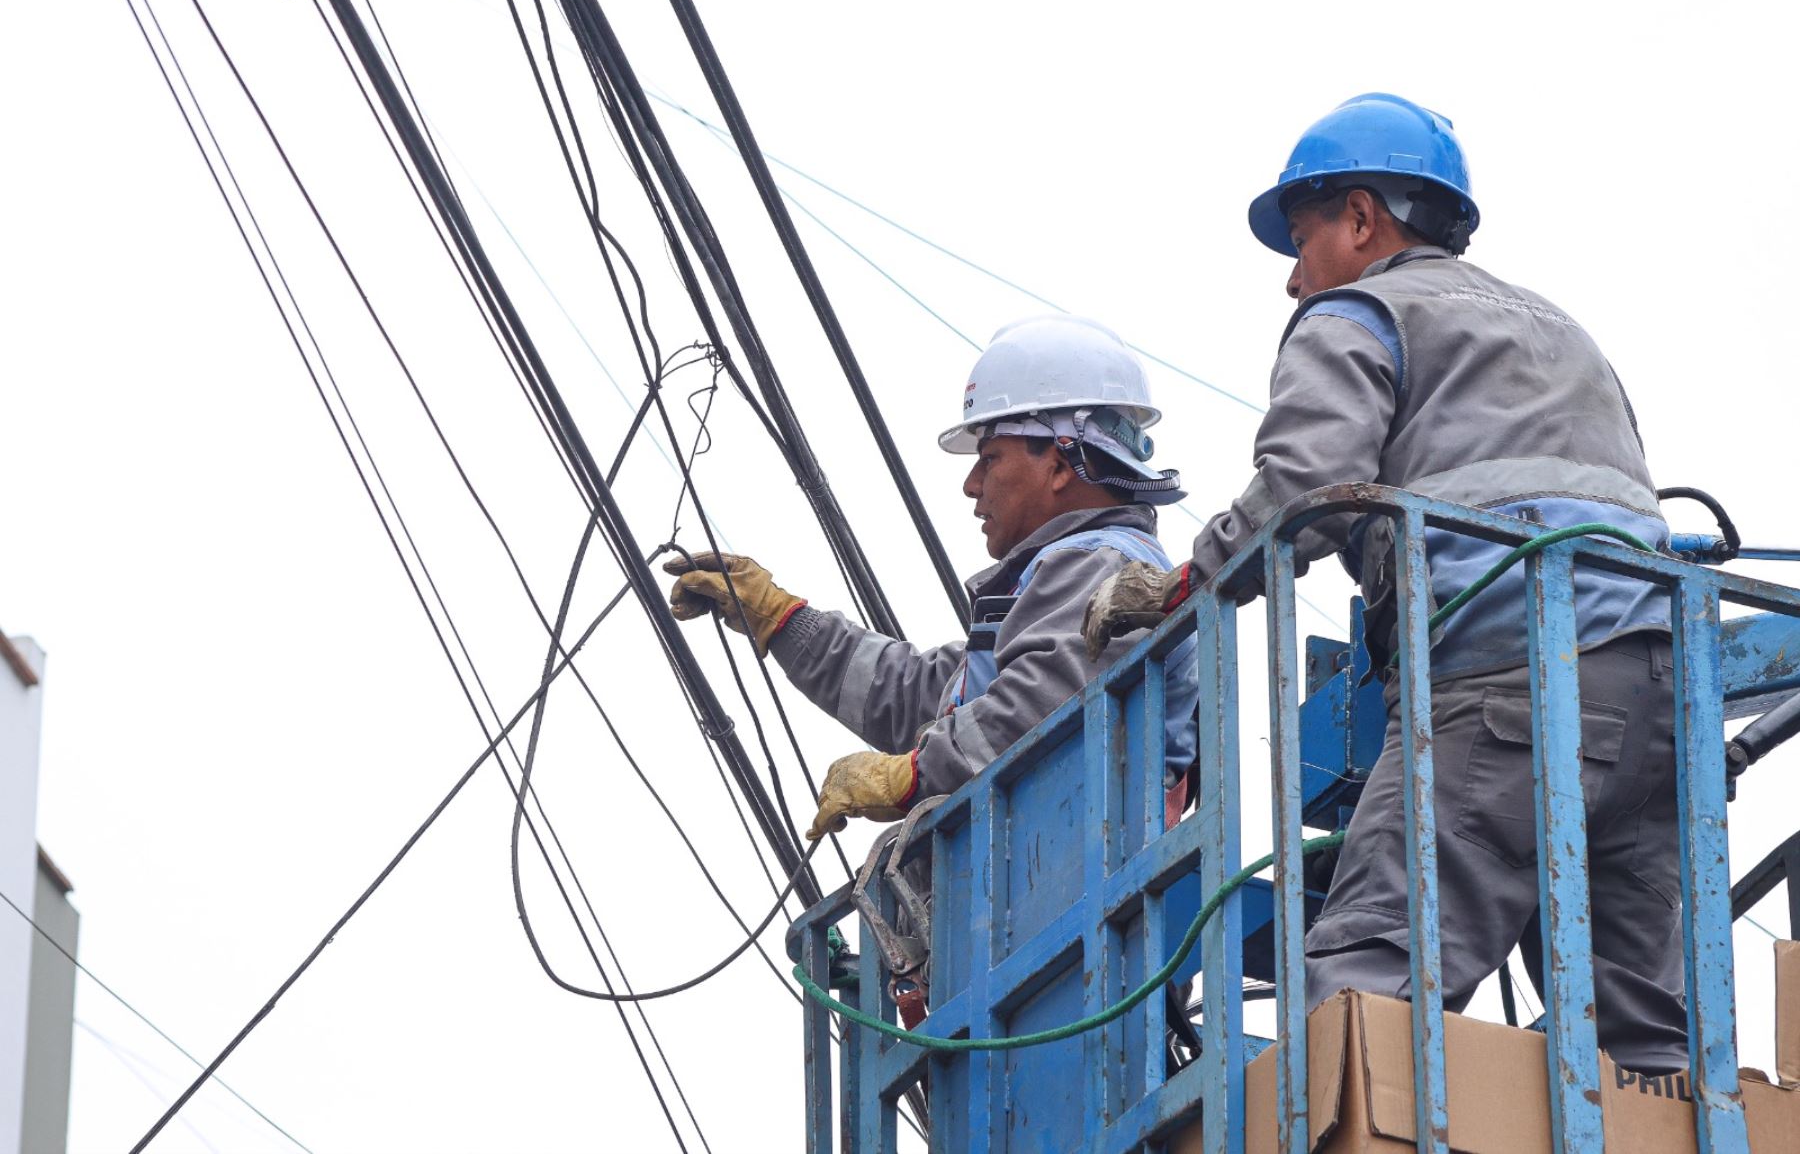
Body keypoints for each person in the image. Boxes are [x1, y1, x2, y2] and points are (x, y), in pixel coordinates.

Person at [1082, 93, 1686, 1071]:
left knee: (1366, 979)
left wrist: (1193, 578)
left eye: (1304, 235)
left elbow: (1306, 484)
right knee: (1648, 1045)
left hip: (1505, 686)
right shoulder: (1561, 329)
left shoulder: (1360, 310)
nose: (1293, 278)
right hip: (1659, 691)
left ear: (1363, 218)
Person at [664, 314, 1199, 844]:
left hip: (1080, 879)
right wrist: (781, 619)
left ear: (1059, 465)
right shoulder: (1053, 583)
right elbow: (915, 696)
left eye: (989, 458)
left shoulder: (1102, 566)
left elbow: (1036, 713)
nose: (972, 484)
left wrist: (911, 775)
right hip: (1042, 880)